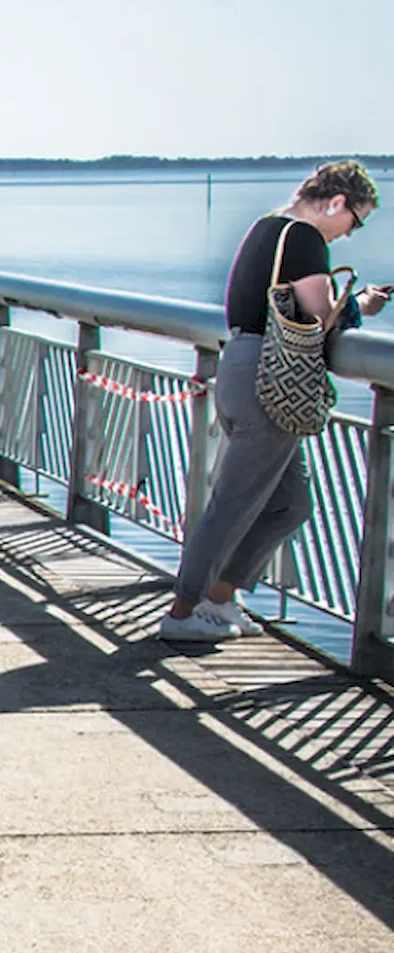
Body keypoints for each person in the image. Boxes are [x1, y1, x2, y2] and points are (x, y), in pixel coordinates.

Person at [160, 160, 389, 643]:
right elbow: (318, 311)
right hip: (270, 382)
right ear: (337, 203)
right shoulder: (304, 237)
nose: (350, 234)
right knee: (234, 503)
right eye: (356, 220)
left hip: (243, 369)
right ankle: (182, 614)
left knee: (291, 505)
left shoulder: (266, 228)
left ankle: (219, 601)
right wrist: (360, 307)